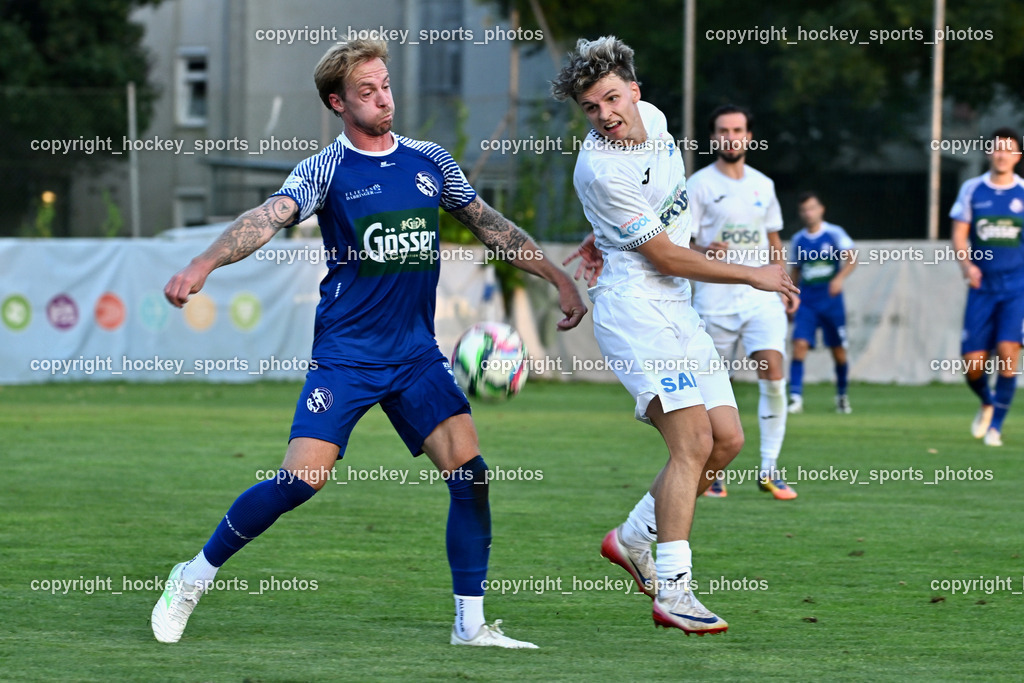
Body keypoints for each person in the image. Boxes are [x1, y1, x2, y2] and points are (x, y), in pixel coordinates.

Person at [151, 39, 587, 649]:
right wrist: (204, 263)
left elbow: (492, 225)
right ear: (338, 103)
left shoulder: (430, 161)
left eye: (385, 86)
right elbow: (267, 217)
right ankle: (192, 576)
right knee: (300, 481)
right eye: (367, 91)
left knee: (470, 476)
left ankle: (470, 625)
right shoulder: (325, 169)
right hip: (348, 354)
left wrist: (557, 276)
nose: (384, 99)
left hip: (415, 355)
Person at [553, 36, 798, 634]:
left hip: (677, 307)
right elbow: (662, 255)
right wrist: (753, 273)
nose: (605, 114)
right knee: (691, 443)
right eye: (590, 107)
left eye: (612, 98)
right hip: (635, 312)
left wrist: (603, 234)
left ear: (635, 92)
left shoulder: (657, 121)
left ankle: (633, 536)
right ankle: (674, 590)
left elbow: (660, 208)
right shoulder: (599, 168)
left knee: (726, 441)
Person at [687, 105, 799, 500]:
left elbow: (773, 241)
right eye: (723, 131)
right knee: (716, 388)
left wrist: (783, 286)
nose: (730, 137)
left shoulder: (763, 185)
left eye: (737, 130)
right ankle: (714, 470)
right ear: (713, 137)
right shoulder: (698, 185)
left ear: (749, 137)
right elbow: (678, 244)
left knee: (773, 372)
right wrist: (704, 250)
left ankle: (769, 469)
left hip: (760, 300)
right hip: (714, 300)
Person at [950, 127, 1024, 447]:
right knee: (972, 364)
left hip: (1017, 287)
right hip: (982, 289)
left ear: (1018, 156)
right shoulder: (972, 189)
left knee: (1008, 352)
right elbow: (959, 234)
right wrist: (967, 265)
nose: (1002, 154)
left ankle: (995, 428)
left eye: (1008, 149)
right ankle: (986, 401)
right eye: (997, 148)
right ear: (988, 153)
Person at [787, 191, 857, 414]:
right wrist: (790, 296)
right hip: (807, 302)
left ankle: (842, 396)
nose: (808, 213)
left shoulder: (834, 233)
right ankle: (795, 398)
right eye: (804, 210)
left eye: (812, 208)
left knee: (838, 351)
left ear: (821, 209)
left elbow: (852, 259)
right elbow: (795, 271)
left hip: (831, 302)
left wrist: (839, 278)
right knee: (799, 345)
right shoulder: (798, 240)